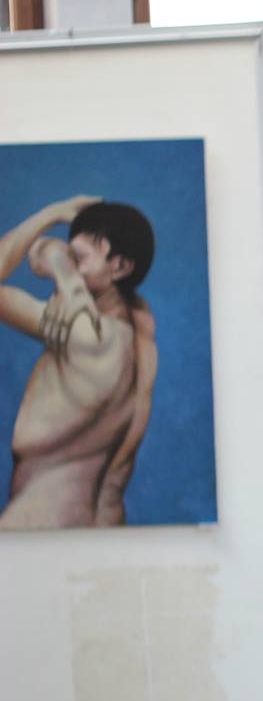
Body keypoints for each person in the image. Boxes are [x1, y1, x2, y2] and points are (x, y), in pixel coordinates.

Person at [0, 198, 158, 529]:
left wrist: (50, 221)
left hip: (42, 518)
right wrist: (60, 261)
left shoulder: (86, 334)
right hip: (86, 521)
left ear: (120, 268)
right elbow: (41, 254)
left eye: (79, 259)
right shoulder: (137, 338)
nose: (71, 266)